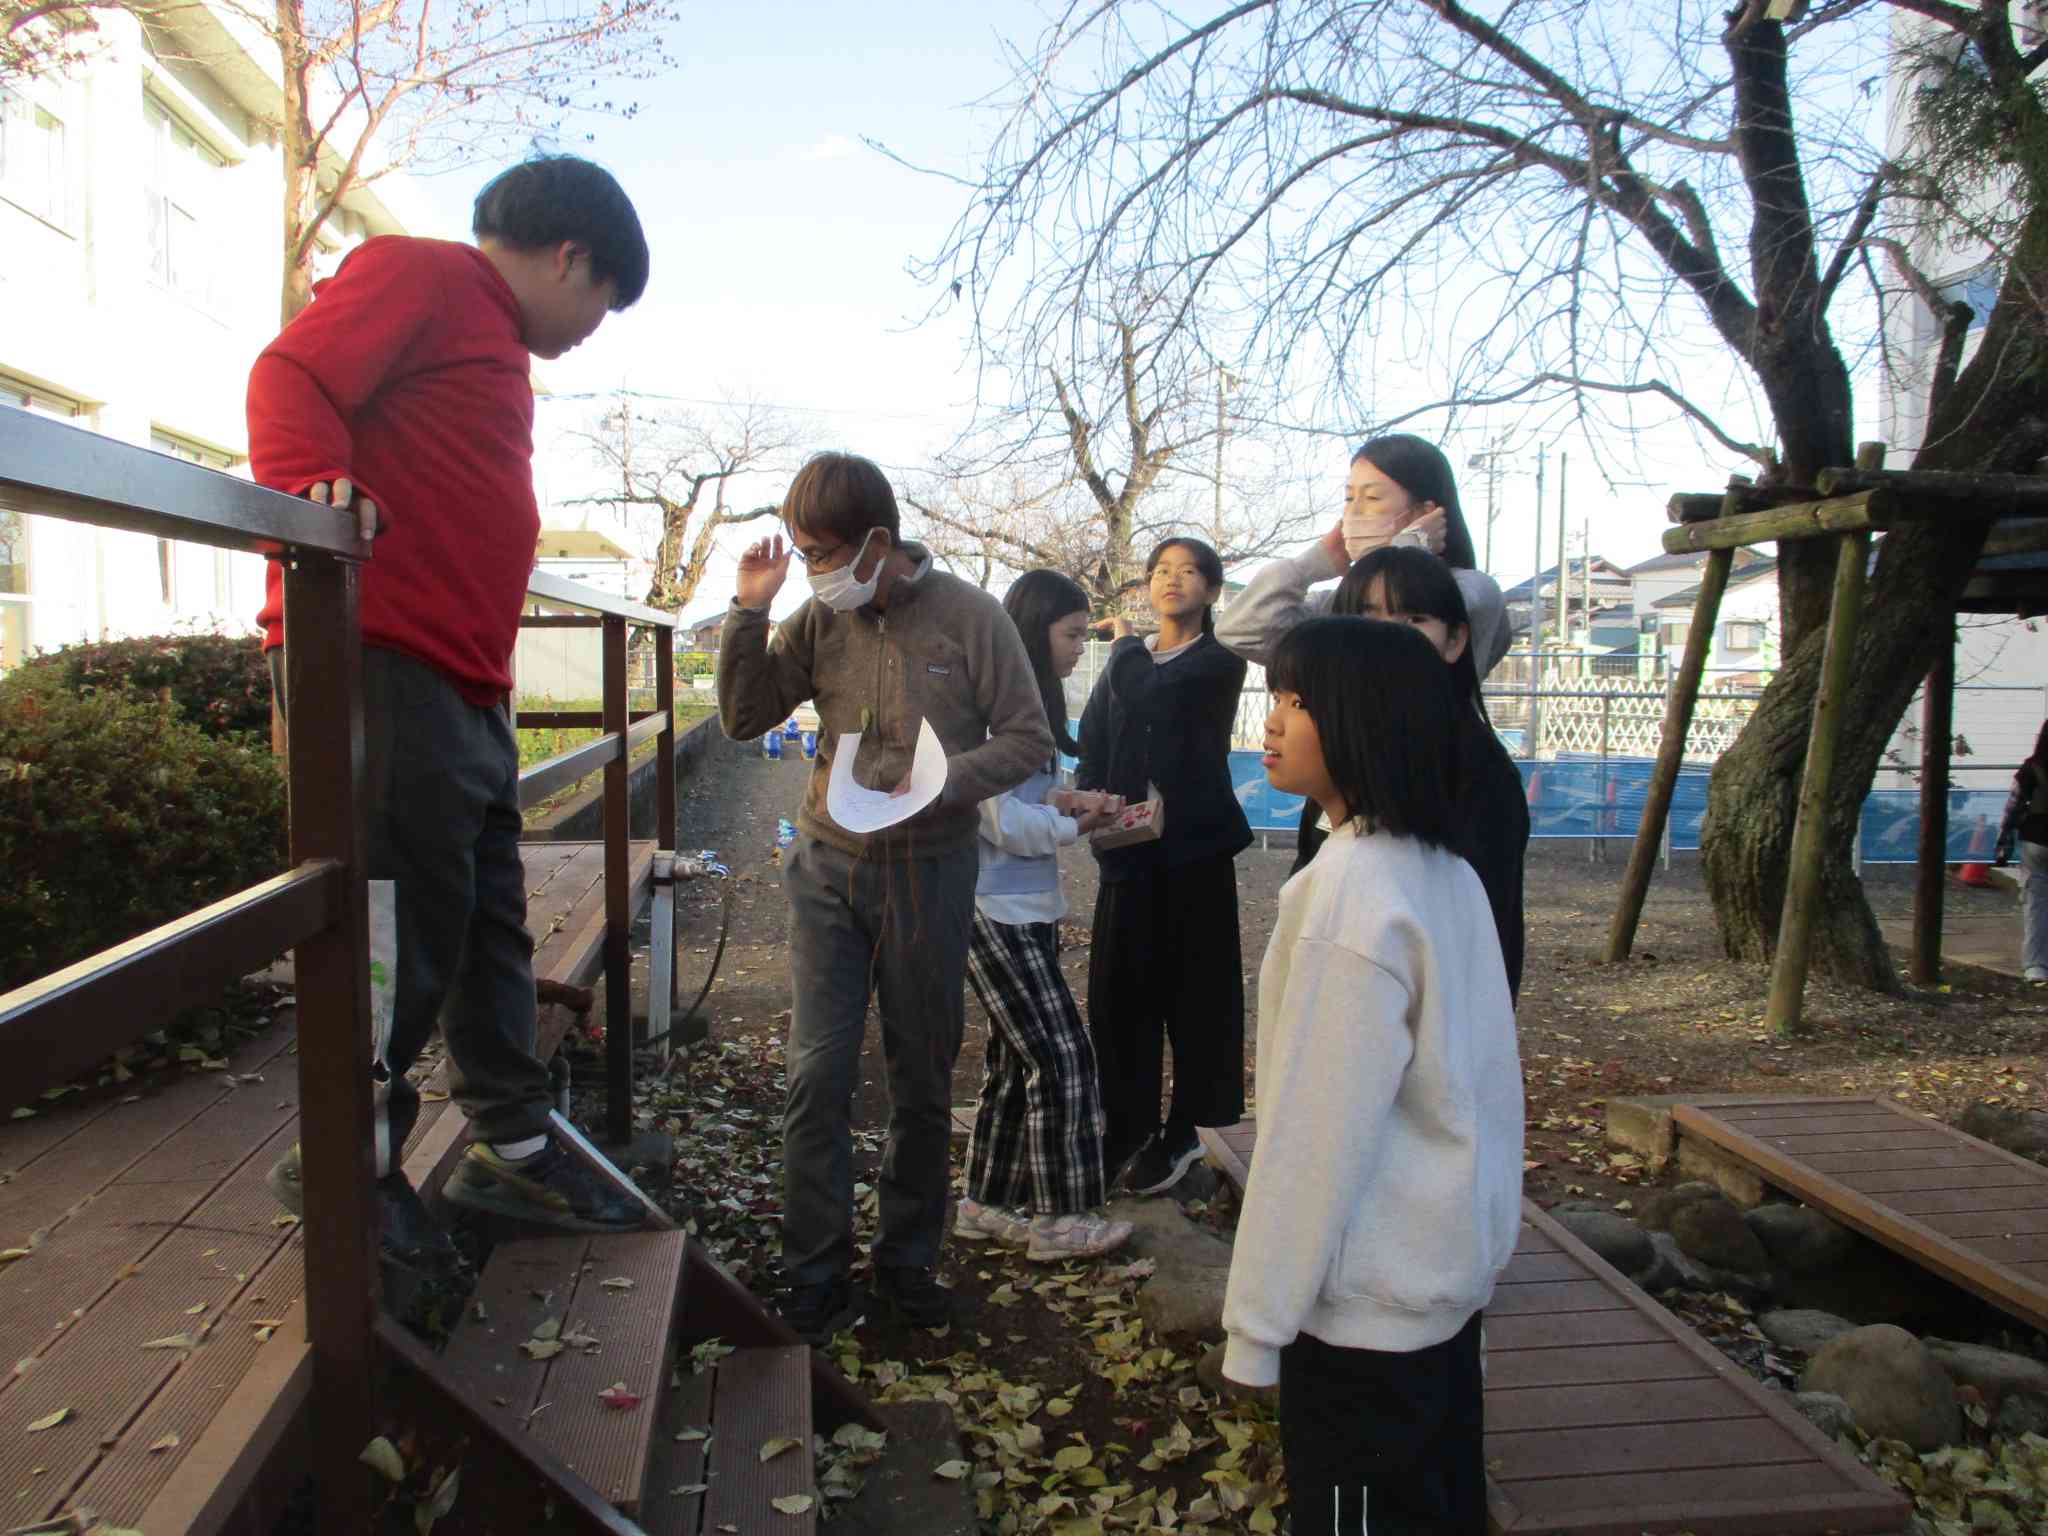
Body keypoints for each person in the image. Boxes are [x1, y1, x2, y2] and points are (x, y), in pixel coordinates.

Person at [251, 156, 654, 1264]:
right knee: (396, 920)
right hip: (381, 655)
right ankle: (351, 1163)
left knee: (487, 919)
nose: (591, 330)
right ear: (570, 257)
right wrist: (310, 487)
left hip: (464, 680)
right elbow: (289, 376)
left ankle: (515, 1141)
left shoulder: (489, 336)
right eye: (602, 304)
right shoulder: (425, 275)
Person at [717, 452, 1052, 1341]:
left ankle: (906, 1265)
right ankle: (814, 1273)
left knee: (922, 1074)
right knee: (816, 1072)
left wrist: (944, 783)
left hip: (928, 873)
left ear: (878, 541)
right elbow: (744, 718)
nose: (813, 571)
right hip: (827, 865)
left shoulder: (971, 617)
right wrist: (748, 612)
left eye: (823, 553)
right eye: (802, 553)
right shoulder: (817, 619)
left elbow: (1029, 738)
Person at [1222, 616, 1522, 1535]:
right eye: (1274, 696)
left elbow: (1315, 1134)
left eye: (1298, 700)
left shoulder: (1352, 894)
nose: (1273, 720)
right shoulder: (1445, 872)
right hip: (1440, 1288)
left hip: (1363, 1321)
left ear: (1367, 720)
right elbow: (1490, 1094)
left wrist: (1257, 1326)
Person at [954, 570, 1135, 1262]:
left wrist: (1073, 802)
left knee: (1015, 1062)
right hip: (990, 907)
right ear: (1034, 630)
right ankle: (1061, 1217)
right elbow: (1001, 821)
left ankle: (985, 1202)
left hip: (1026, 907)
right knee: (1062, 1058)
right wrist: (1074, 827)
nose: (1080, 647)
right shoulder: (985, 707)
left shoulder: (1031, 704)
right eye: (1072, 634)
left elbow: (1031, 798)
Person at [1077, 536, 1252, 1196]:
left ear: (1212, 589)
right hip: (1128, 851)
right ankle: (1125, 1130)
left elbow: (1152, 698)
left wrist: (1124, 643)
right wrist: (1097, 808)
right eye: (1160, 571)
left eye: (1188, 571)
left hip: (1195, 853)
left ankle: (1186, 1131)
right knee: (1120, 996)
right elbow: (1094, 738)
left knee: (1197, 996)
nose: (1171, 580)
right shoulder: (1130, 661)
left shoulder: (1219, 660)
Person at [1304, 547, 1530, 997]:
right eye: (1367, 617)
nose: (1388, 638)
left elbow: (1487, 933)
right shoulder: (1344, 753)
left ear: (1455, 640)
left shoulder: (1480, 772)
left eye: (1413, 620)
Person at [1215, 431, 1509, 674]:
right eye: (1348, 497)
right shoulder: (1338, 603)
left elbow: (1402, 654)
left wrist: (1407, 553)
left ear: (1424, 513)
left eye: (1372, 497)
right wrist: (1309, 566)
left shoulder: (1472, 589)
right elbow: (1241, 631)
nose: (1353, 512)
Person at [1995, 720, 2048, 982]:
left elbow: (2013, 807)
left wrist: (2003, 846)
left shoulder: (2032, 767)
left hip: (2037, 841)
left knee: (2036, 904)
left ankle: (2036, 966)